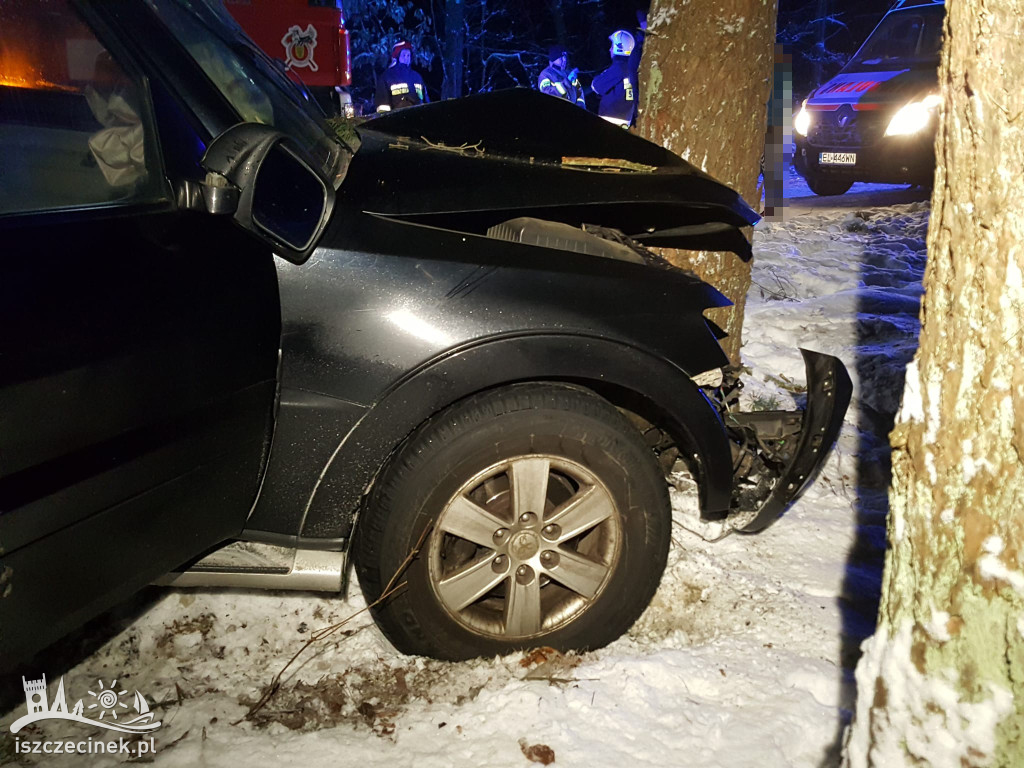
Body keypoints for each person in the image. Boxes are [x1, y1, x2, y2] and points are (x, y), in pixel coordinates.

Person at [591, 29, 640, 128]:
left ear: (619, 48)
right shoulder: (632, 66)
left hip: (611, 118)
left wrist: (598, 77)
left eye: (612, 46)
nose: (610, 49)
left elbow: (596, 86)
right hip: (626, 118)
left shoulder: (619, 67)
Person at [374, 41, 429, 113]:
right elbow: (382, 106)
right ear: (397, 57)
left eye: (408, 55)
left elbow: (425, 100)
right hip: (397, 119)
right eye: (403, 55)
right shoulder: (387, 76)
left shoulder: (417, 77)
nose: (406, 58)